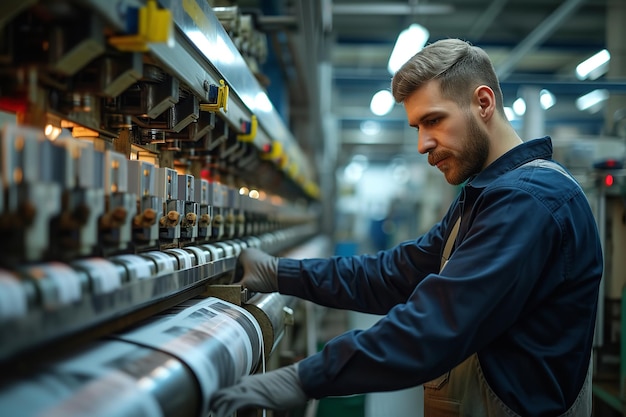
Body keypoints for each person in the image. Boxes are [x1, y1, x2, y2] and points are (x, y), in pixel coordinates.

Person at [209, 38, 603, 417]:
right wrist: (279, 274)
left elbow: (437, 325)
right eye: (417, 126)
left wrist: (303, 378)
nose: (422, 144)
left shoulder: (528, 201)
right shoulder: (484, 196)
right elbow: (395, 275)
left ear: (483, 103)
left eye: (433, 120)